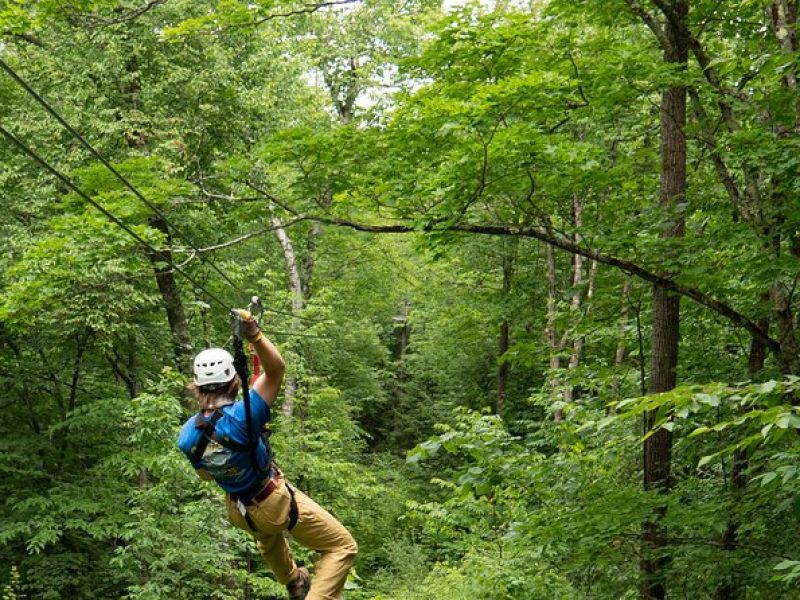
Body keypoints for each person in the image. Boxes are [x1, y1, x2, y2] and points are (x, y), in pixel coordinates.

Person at [177, 309, 358, 600]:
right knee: (342, 547)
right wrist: (255, 335)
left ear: (196, 386)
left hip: (239, 511)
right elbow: (276, 369)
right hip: (272, 501)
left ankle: (293, 580)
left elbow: (207, 475)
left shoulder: (187, 436)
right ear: (233, 380)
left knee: (267, 534)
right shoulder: (246, 415)